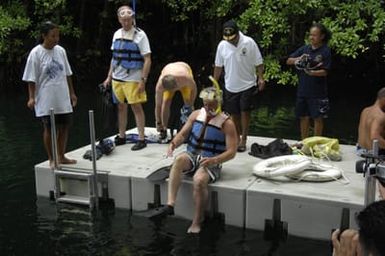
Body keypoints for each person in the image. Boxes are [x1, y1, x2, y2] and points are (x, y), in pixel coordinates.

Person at [154, 86, 238, 233]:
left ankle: (197, 220)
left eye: (211, 105)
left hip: (211, 159)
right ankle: (170, 205)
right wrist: (173, 144)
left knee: (199, 181)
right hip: (192, 155)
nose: (208, 107)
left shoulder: (227, 124)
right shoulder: (195, 115)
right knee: (179, 160)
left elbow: (232, 152)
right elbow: (182, 135)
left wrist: (214, 160)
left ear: (219, 103)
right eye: (205, 104)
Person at [22, 21, 77, 169]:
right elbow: (30, 78)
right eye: (53, 36)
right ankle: (51, 158)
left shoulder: (61, 51)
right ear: (44, 36)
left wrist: (72, 93)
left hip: (62, 94)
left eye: (57, 36)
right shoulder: (36, 53)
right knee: (49, 128)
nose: (56, 39)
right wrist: (31, 97)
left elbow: (67, 73)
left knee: (64, 126)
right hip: (46, 96)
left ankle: (61, 155)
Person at [102, 5, 151, 150]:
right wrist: (108, 77)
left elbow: (147, 59)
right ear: (119, 19)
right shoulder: (117, 34)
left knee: (136, 106)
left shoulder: (140, 35)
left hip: (133, 78)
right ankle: (122, 135)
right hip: (118, 78)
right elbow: (114, 57)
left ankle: (141, 138)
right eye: (123, 20)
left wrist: (143, 80)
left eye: (128, 20)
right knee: (121, 107)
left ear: (132, 19)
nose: (126, 22)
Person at [213, 19, 265, 153]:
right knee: (234, 114)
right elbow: (218, 66)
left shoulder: (249, 42)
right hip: (230, 84)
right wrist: (214, 82)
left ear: (237, 33)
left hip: (247, 83)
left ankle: (244, 139)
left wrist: (260, 77)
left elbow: (259, 62)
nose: (230, 40)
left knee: (245, 112)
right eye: (227, 38)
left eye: (232, 38)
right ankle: (236, 137)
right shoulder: (222, 45)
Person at [286, 23, 332, 140]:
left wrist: (312, 73)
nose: (312, 37)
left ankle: (316, 142)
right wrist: (298, 59)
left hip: (318, 92)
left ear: (321, 36)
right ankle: (304, 141)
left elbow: (326, 71)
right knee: (303, 116)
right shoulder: (305, 48)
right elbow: (288, 60)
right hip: (303, 90)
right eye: (310, 35)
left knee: (317, 118)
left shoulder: (325, 51)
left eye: (314, 35)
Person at [155, 62, 197, 139]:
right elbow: (158, 105)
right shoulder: (159, 86)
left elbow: (194, 90)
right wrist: (158, 122)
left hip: (183, 69)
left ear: (177, 84)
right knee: (166, 101)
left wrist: (191, 104)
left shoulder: (185, 78)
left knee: (188, 102)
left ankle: (190, 128)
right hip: (169, 70)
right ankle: (164, 129)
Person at [357, 87, 385, 155]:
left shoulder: (365, 110)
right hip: (372, 154)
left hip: (360, 150)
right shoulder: (380, 115)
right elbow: (374, 137)